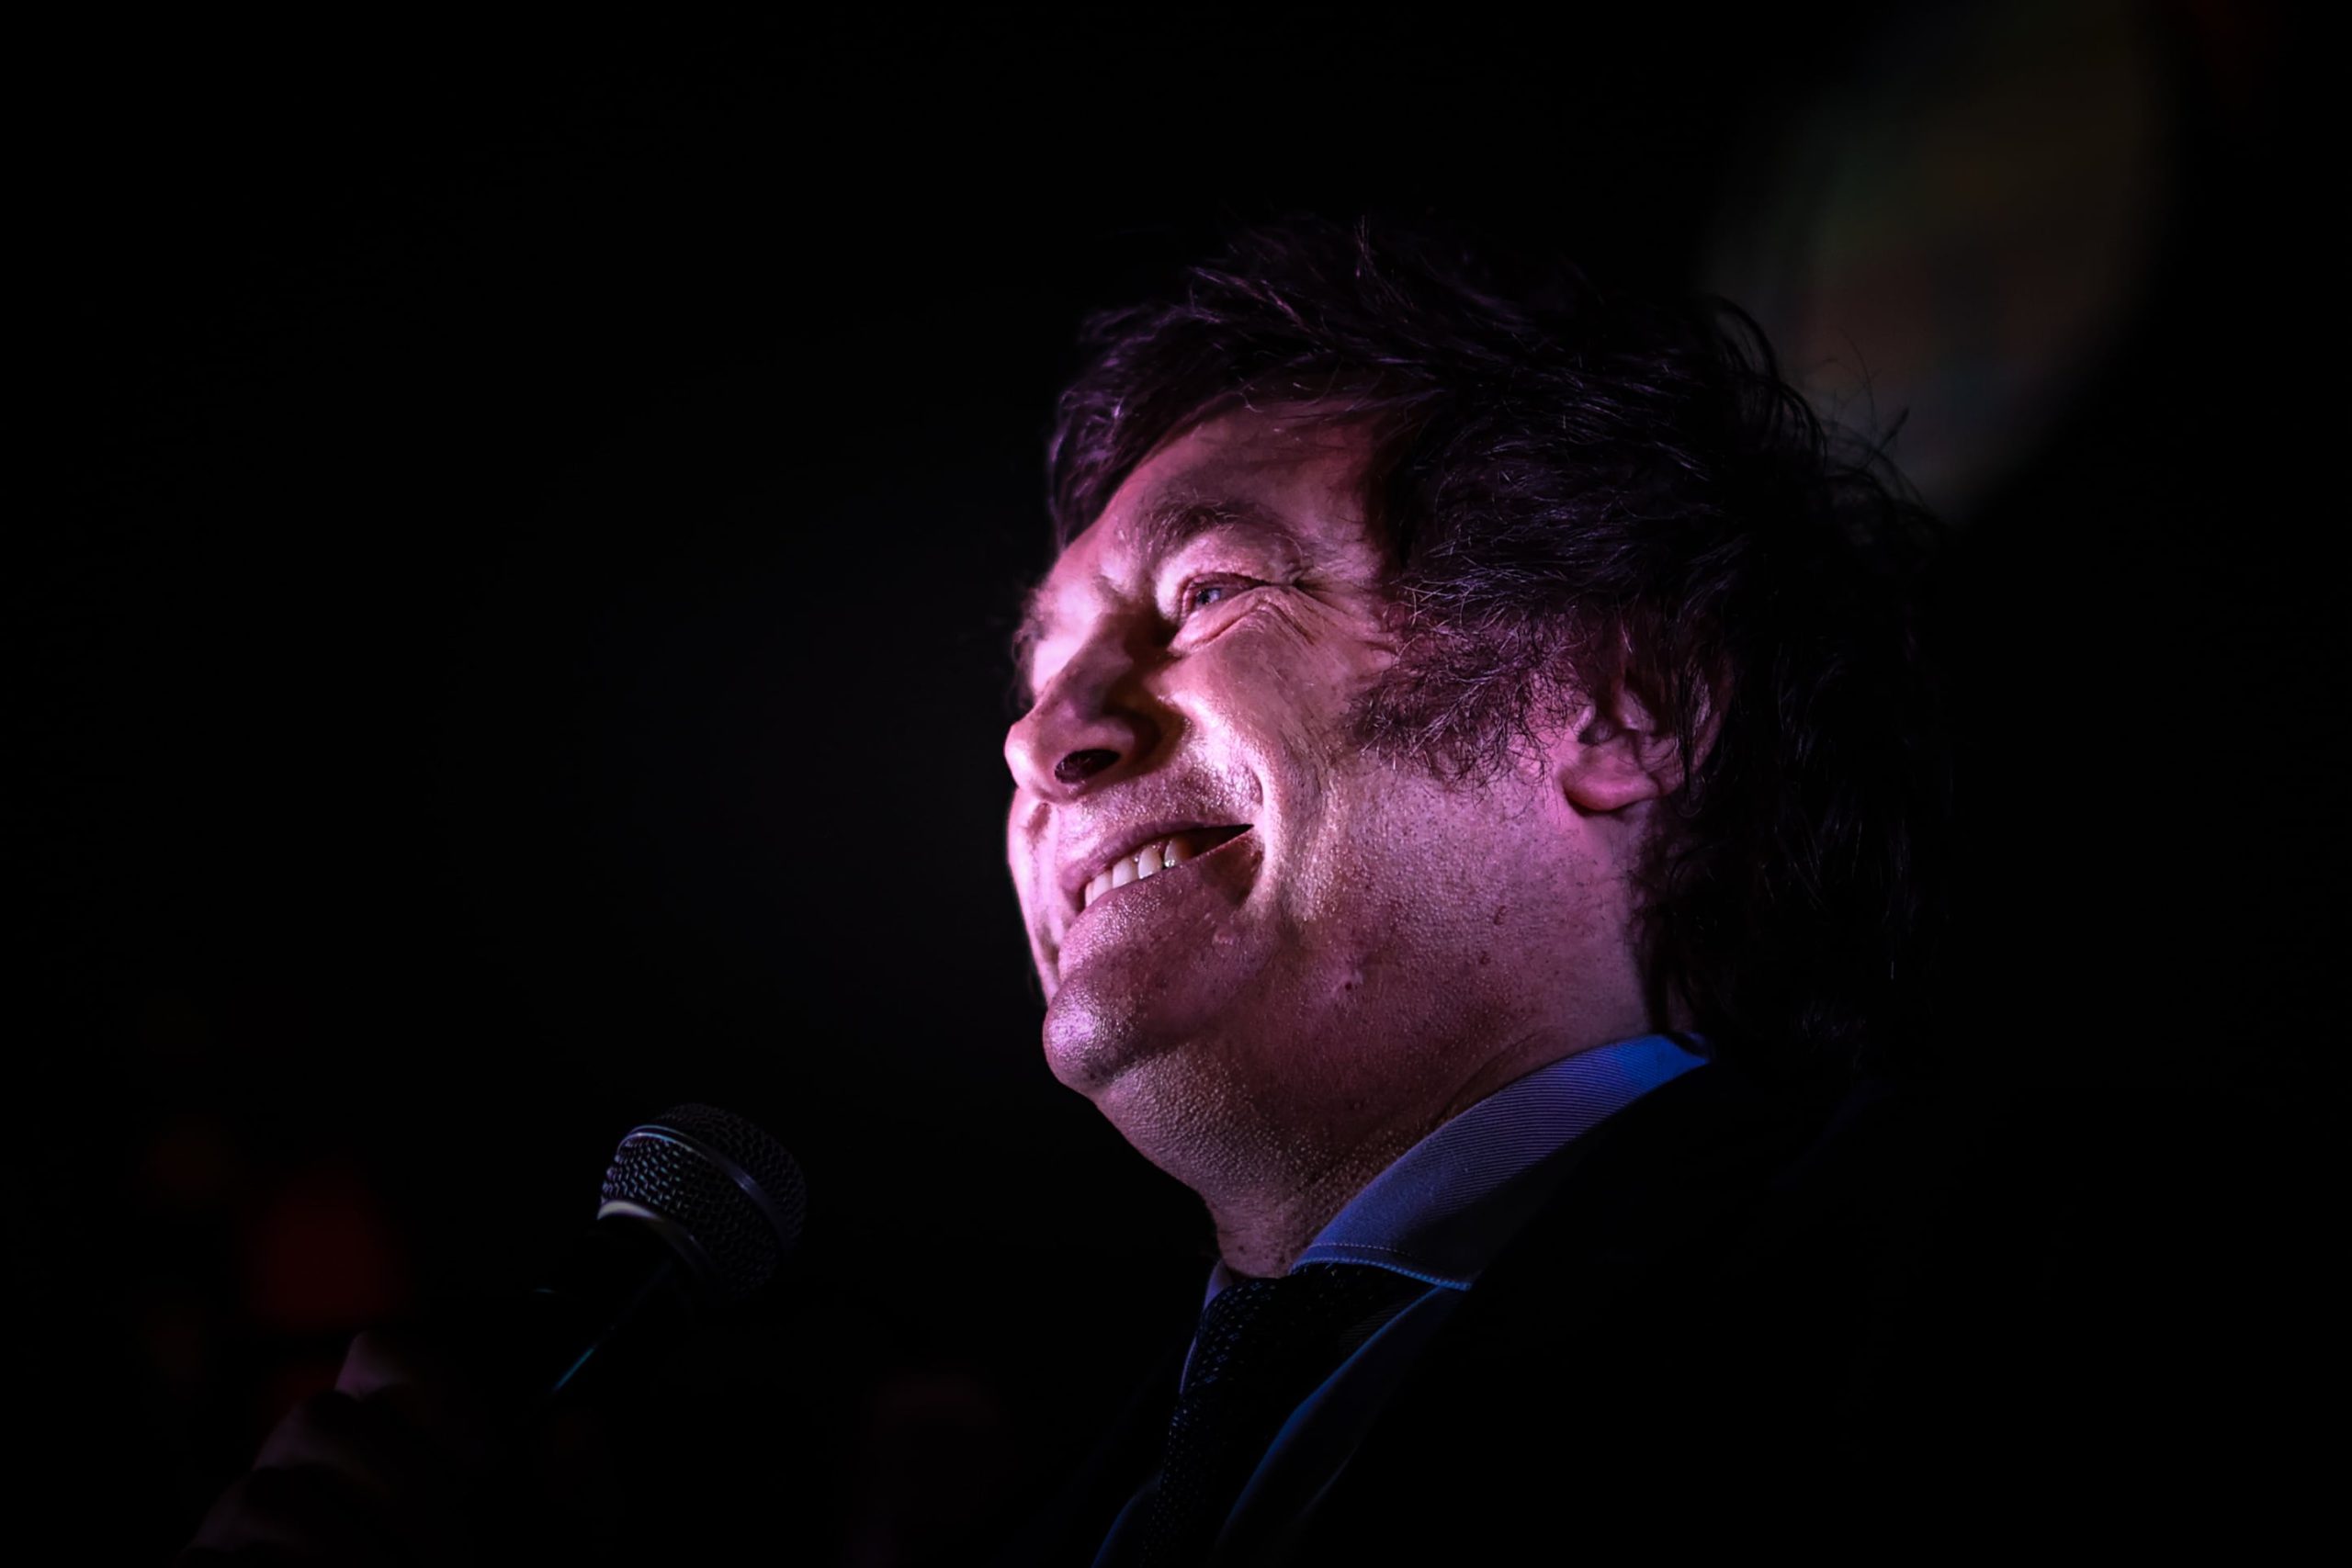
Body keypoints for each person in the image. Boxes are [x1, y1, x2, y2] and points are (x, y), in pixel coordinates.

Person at [182, 217, 2311, 1563]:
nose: (1046, 735)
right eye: (1030, 672)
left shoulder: (2072, 1306)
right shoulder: (1050, 1534)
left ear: (1622, 707)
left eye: (1203, 592)